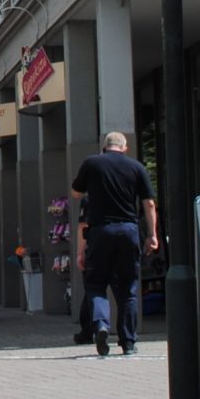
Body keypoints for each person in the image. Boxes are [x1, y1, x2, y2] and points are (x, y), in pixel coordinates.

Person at [72, 131, 158, 357]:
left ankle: (101, 325)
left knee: (96, 284)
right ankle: (128, 342)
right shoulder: (137, 167)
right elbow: (149, 204)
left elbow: (75, 192)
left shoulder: (92, 163)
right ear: (125, 148)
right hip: (129, 231)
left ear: (104, 147)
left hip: (100, 231)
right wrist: (152, 234)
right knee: (128, 288)